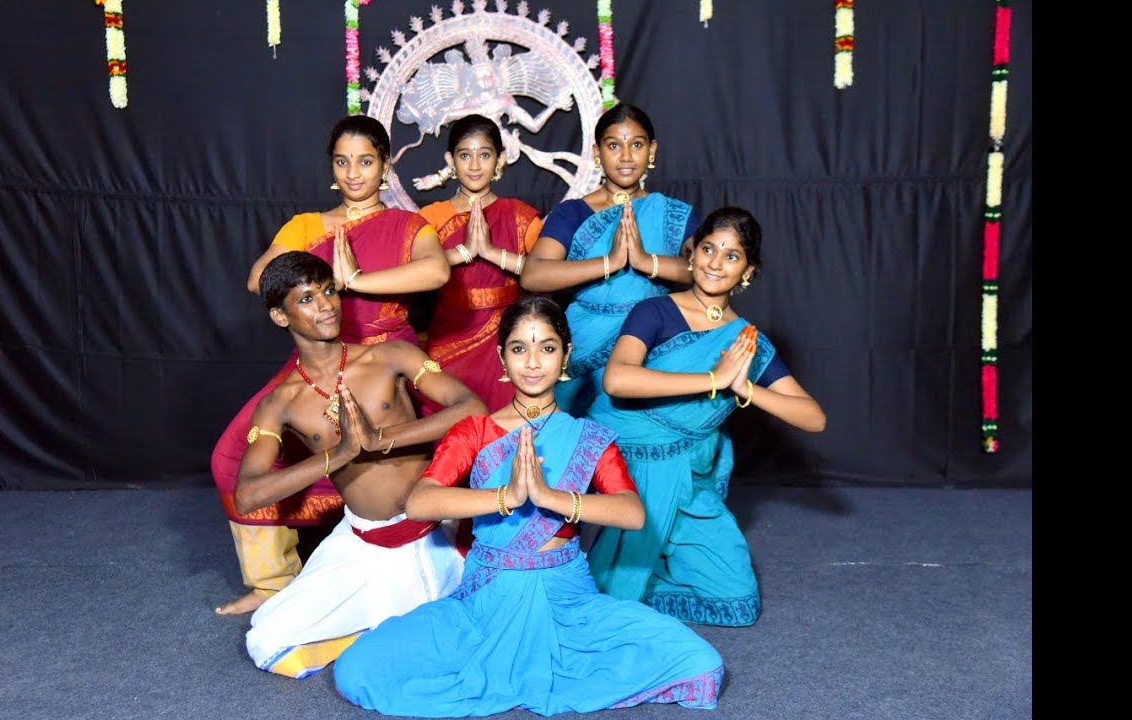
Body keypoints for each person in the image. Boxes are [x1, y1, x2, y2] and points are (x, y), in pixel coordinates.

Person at [334, 295, 725, 716]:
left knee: (700, 663)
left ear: (565, 356)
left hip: (567, 598)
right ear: (502, 358)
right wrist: (509, 498)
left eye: (547, 347)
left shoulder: (589, 436)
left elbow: (631, 512)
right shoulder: (475, 431)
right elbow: (420, 502)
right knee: (357, 668)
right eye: (520, 348)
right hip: (488, 596)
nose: (534, 361)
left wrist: (550, 499)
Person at [212, 115, 450, 616]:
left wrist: (357, 280)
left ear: (385, 167)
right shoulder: (306, 226)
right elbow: (261, 281)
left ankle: (455, 559)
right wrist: (321, 278)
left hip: (388, 358)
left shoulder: (408, 225)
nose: (353, 173)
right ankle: (271, 581)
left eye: (365, 162)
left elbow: (436, 270)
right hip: (316, 363)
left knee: (459, 441)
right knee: (232, 456)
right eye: (342, 162)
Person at [238, 251, 486, 679]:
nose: (326, 305)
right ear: (281, 317)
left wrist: (381, 441)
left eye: (329, 291)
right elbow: (248, 495)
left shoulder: (391, 355)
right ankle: (377, 624)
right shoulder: (279, 403)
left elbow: (472, 407)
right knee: (266, 638)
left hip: (430, 532)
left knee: (449, 650)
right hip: (364, 541)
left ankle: (397, 619)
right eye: (308, 299)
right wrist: (340, 454)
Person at [586, 206, 827, 627]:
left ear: (748, 271)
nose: (716, 263)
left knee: (738, 602)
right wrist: (711, 379)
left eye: (732, 256)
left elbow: (813, 417)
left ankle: (648, 580)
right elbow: (618, 380)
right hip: (635, 466)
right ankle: (628, 577)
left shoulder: (746, 340)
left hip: (691, 476)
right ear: (691, 254)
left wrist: (744, 387)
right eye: (709, 249)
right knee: (611, 597)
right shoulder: (655, 312)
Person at [519, 102, 702, 418]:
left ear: (652, 149)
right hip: (586, 351)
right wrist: (610, 262)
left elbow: (708, 271)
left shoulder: (674, 213)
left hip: (655, 344)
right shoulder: (572, 213)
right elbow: (533, 275)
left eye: (637, 144)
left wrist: (646, 261)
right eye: (614, 145)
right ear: (596, 152)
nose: (627, 156)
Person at [416, 113, 544, 412]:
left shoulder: (522, 216)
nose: (474, 166)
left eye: (484, 155)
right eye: (465, 155)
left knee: (506, 438)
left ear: (500, 160)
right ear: (451, 159)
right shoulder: (430, 218)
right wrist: (464, 252)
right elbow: (415, 274)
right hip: (448, 338)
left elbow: (545, 275)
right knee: (452, 438)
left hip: (510, 341)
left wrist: (489, 252)